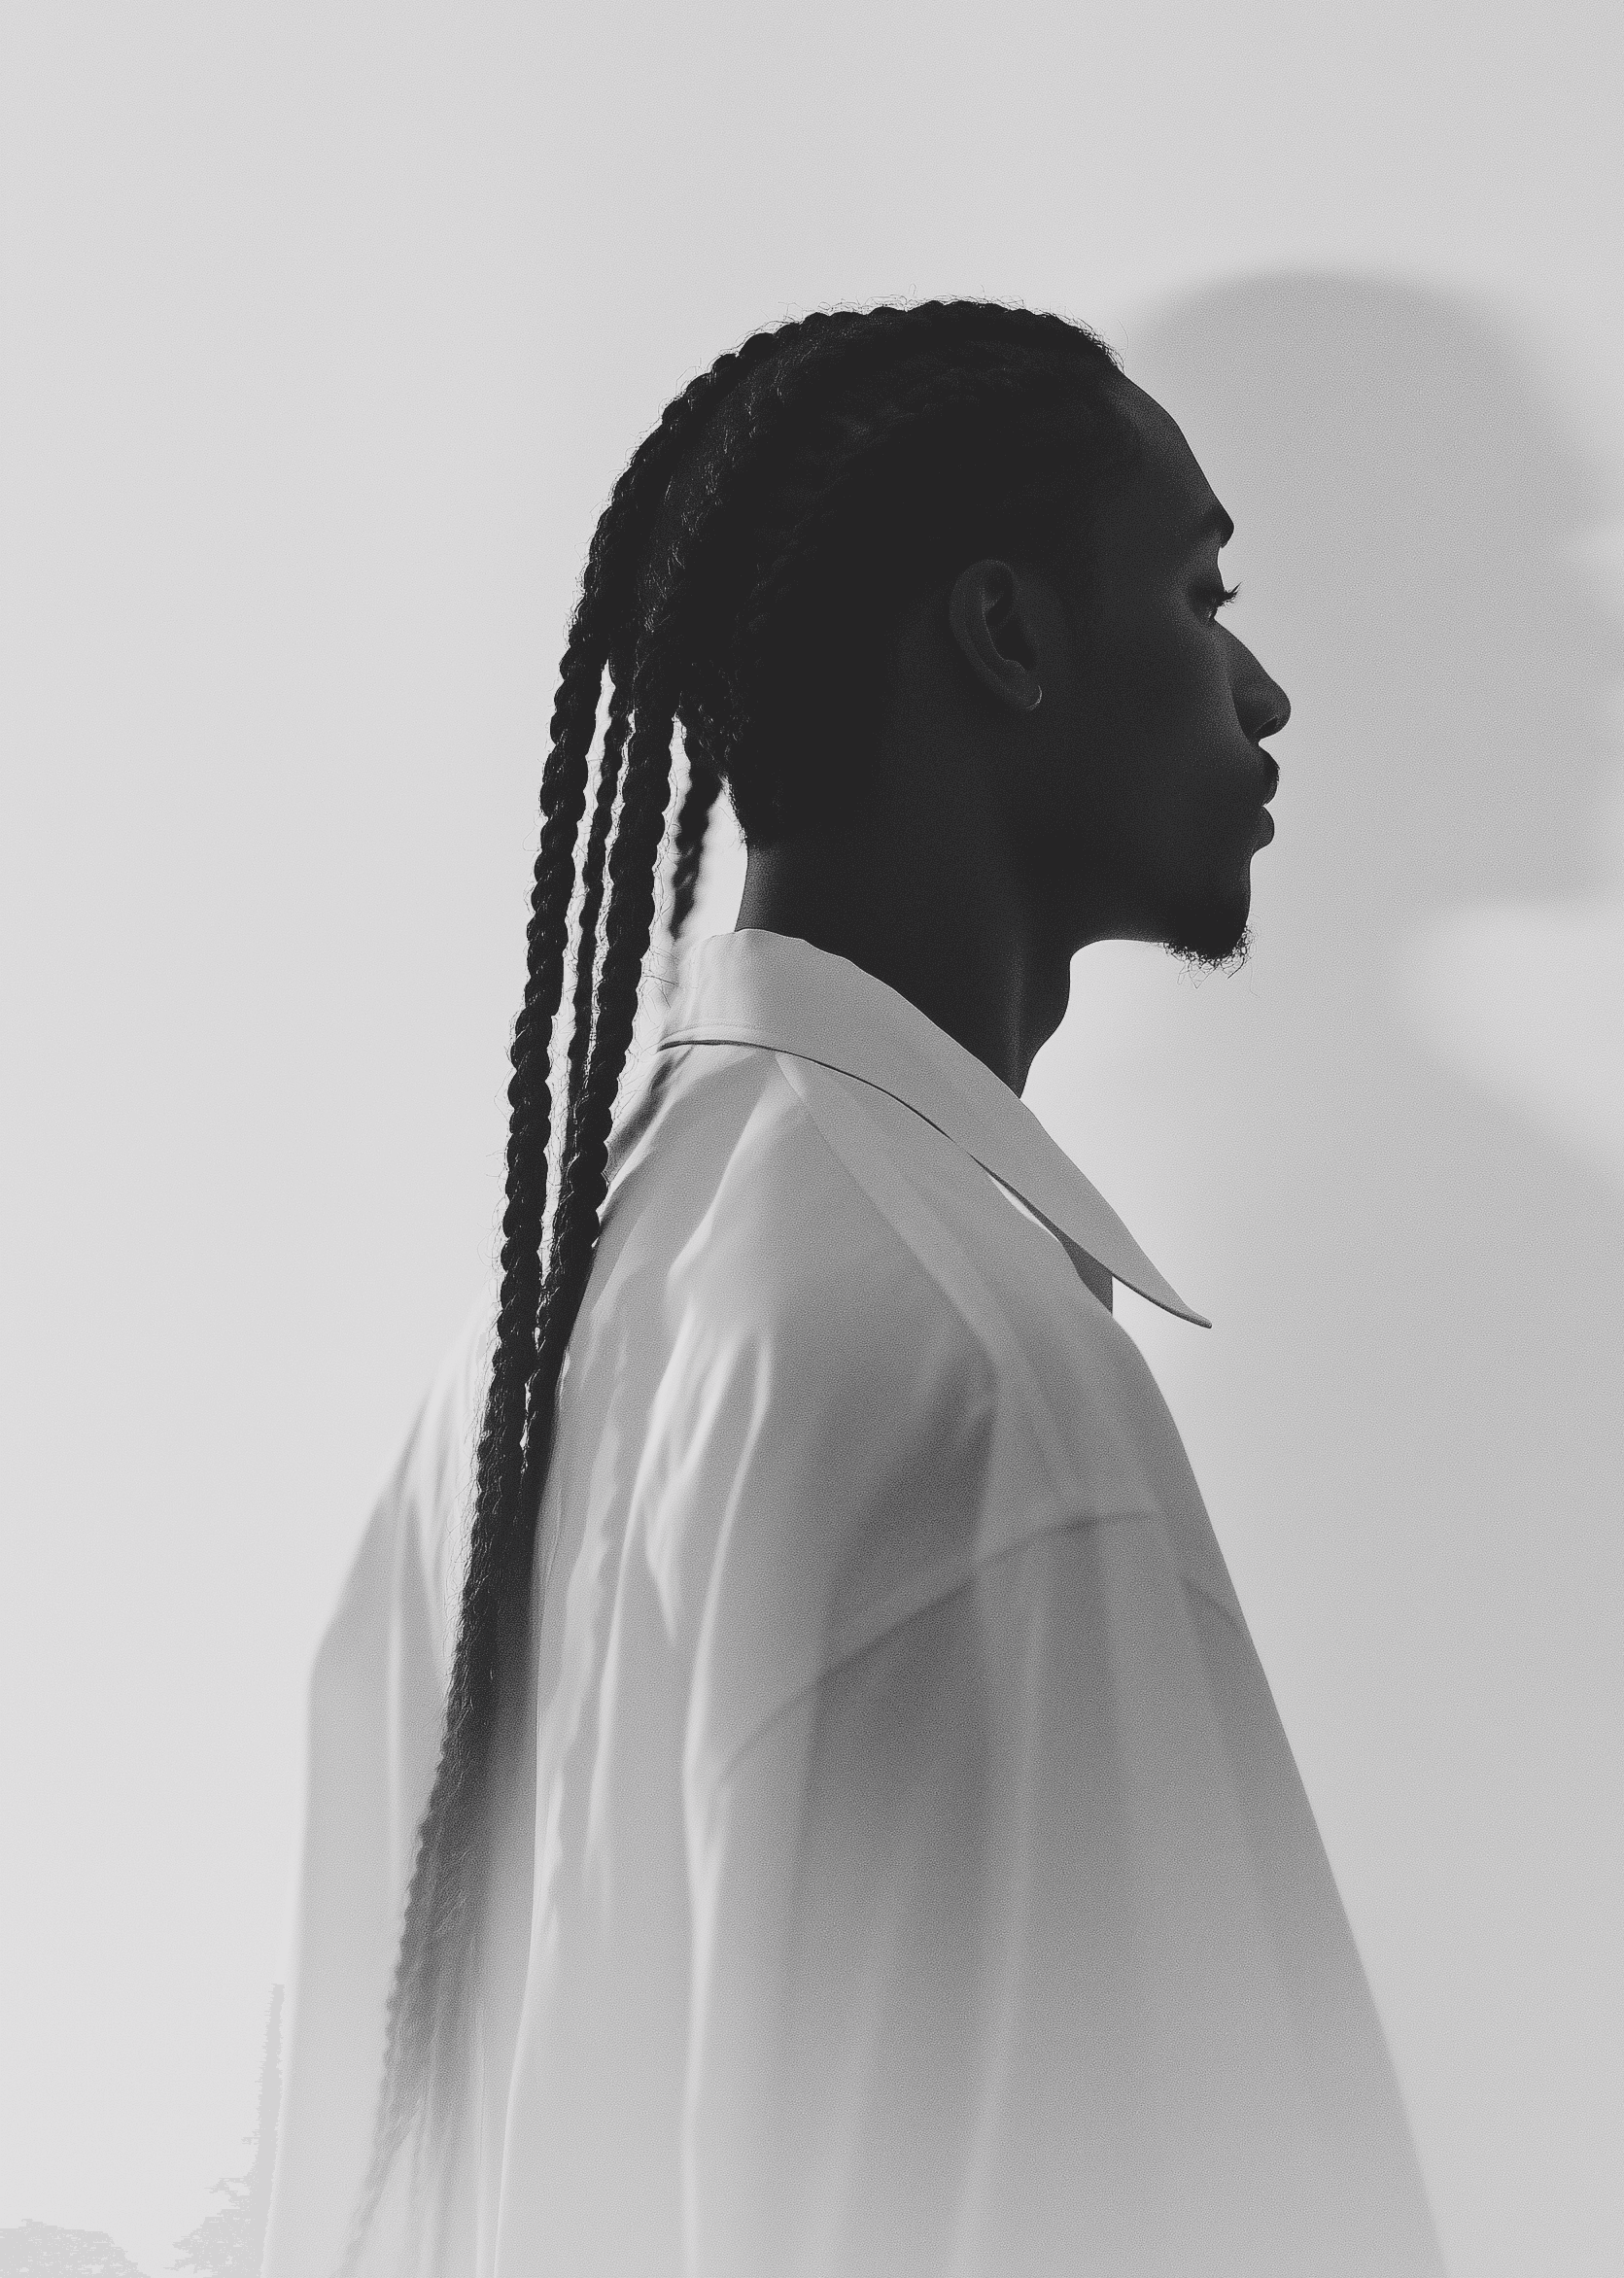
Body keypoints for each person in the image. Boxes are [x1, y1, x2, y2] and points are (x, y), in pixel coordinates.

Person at [260, 299, 1443, 2278]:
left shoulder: (513, 1369)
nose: (1261, 689)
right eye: (1195, 584)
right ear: (1008, 637)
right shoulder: (971, 1374)